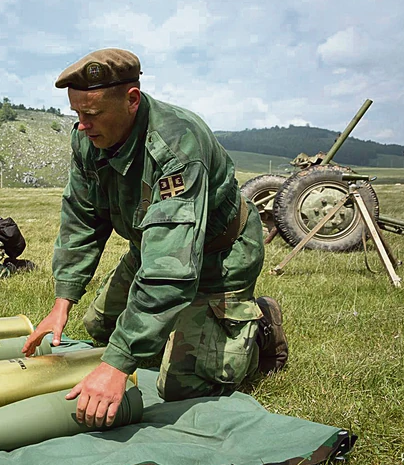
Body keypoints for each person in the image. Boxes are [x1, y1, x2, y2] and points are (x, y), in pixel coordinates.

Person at [21, 48, 288, 429]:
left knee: (183, 385)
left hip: (219, 255)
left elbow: (171, 272)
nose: (82, 125)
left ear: (132, 100)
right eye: (76, 114)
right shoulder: (86, 138)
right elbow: (82, 217)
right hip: (153, 245)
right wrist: (62, 302)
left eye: (92, 114)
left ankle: (258, 330)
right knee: (100, 327)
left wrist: (116, 365)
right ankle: (182, 328)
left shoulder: (178, 147)